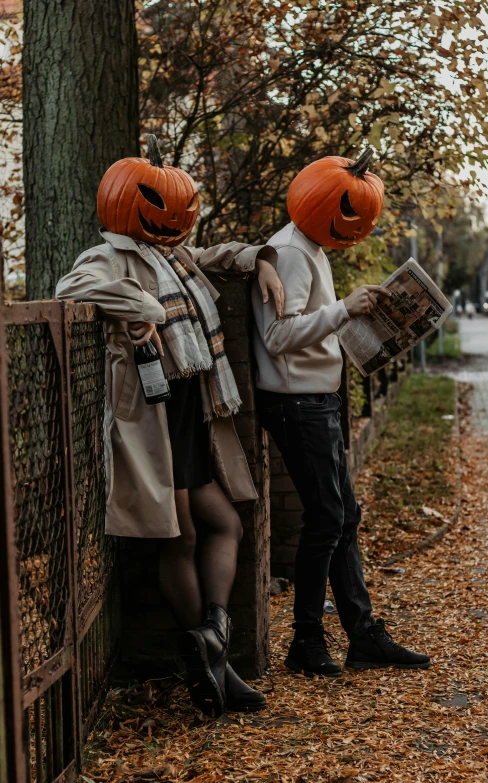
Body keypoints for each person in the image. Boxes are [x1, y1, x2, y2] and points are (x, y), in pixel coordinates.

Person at [56, 136, 284, 717]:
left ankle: (212, 637)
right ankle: (214, 666)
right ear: (127, 202)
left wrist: (258, 258)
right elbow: (70, 288)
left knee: (226, 523)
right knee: (180, 537)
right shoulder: (114, 255)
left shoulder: (177, 256)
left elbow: (216, 256)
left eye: (185, 205)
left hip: (191, 409)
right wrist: (145, 309)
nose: (178, 216)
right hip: (152, 416)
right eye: (162, 202)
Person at [252, 150, 431, 676]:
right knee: (327, 517)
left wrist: (363, 327)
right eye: (350, 212)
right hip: (296, 404)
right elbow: (277, 336)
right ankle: (306, 641)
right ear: (321, 199)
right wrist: (342, 310)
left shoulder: (312, 246)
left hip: (317, 401)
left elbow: (313, 326)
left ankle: (363, 635)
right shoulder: (288, 252)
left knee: (343, 515)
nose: (358, 227)